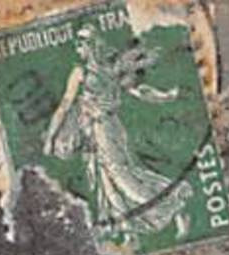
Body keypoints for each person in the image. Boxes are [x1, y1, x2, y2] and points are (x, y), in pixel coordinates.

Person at [43, 27, 193, 239]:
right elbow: (66, 105)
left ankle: (174, 205)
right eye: (77, 44)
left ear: (92, 46)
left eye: (82, 43)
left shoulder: (96, 71)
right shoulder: (95, 70)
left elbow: (137, 90)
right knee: (108, 183)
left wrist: (166, 97)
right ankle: (127, 230)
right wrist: (167, 96)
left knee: (124, 180)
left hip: (104, 129)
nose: (79, 48)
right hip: (96, 131)